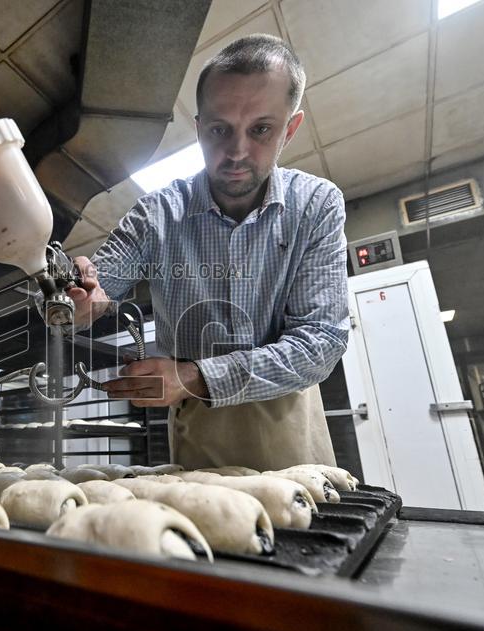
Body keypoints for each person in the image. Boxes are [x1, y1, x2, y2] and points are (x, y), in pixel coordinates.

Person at [67, 34, 349, 471]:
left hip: (289, 426)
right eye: (219, 130)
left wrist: (194, 376)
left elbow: (322, 341)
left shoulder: (316, 205)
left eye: (261, 129)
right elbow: (98, 289)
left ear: (290, 130)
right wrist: (80, 299)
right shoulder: (157, 214)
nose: (237, 152)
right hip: (197, 429)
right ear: (199, 129)